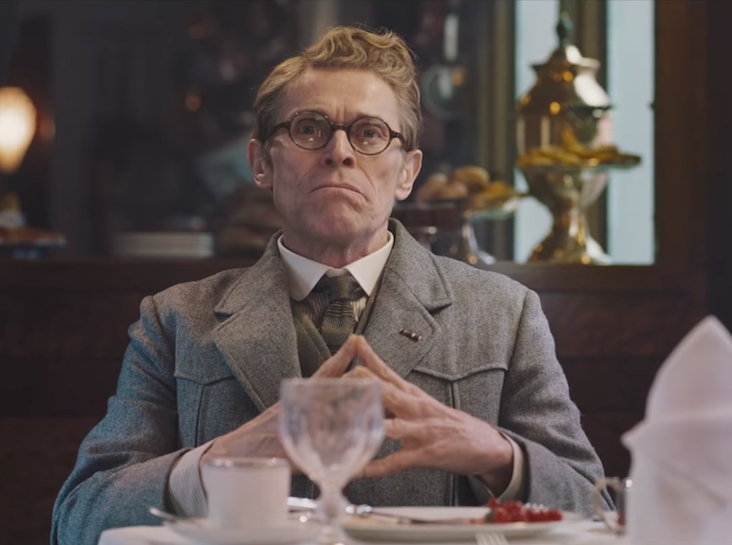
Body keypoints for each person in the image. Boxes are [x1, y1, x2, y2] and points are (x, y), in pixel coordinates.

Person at [52, 26, 608, 545]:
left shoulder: (504, 314)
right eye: (309, 129)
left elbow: (594, 508)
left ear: (407, 171)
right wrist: (218, 463)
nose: (338, 152)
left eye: (369, 133)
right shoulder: (175, 320)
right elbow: (78, 519)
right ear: (261, 163)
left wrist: (498, 455)